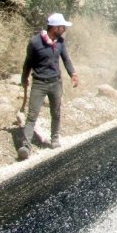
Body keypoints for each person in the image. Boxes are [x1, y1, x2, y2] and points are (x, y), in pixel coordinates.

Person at [18, 13, 79, 160]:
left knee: (56, 112)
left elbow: (66, 60)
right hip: (39, 83)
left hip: (56, 83)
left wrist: (73, 74)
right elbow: (28, 63)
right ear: (54, 27)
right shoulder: (35, 42)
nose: (64, 29)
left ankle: (55, 138)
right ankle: (26, 146)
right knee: (32, 116)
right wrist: (24, 78)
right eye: (62, 26)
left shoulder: (60, 42)